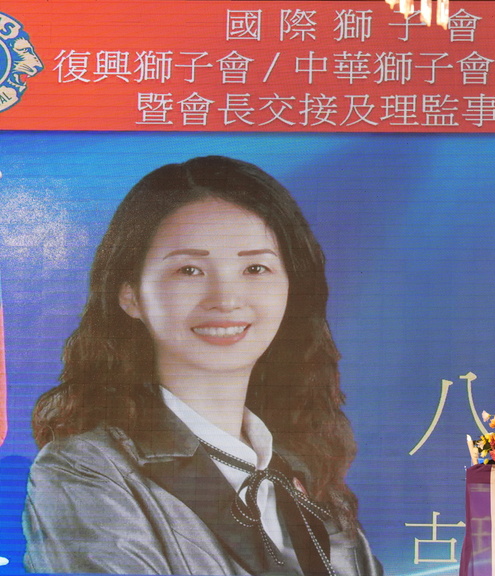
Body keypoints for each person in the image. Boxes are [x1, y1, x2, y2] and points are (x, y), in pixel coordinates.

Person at [23, 156, 382, 576]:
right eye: (189, 270)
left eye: (255, 268)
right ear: (131, 295)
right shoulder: (86, 471)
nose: (225, 299)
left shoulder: (308, 482)